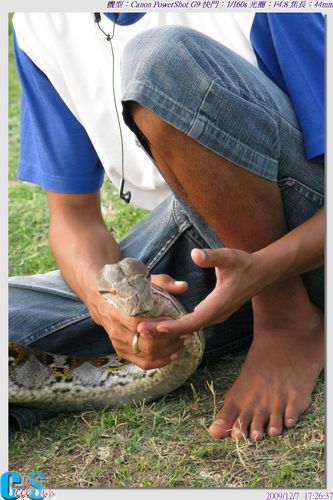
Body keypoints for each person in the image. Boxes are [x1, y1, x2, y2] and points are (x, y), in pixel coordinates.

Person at [9, 13, 324, 441]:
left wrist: (266, 275)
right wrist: (107, 307)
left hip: (304, 231)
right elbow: (73, 217)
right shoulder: (40, 22)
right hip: (204, 246)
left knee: (164, 61)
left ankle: (286, 319)